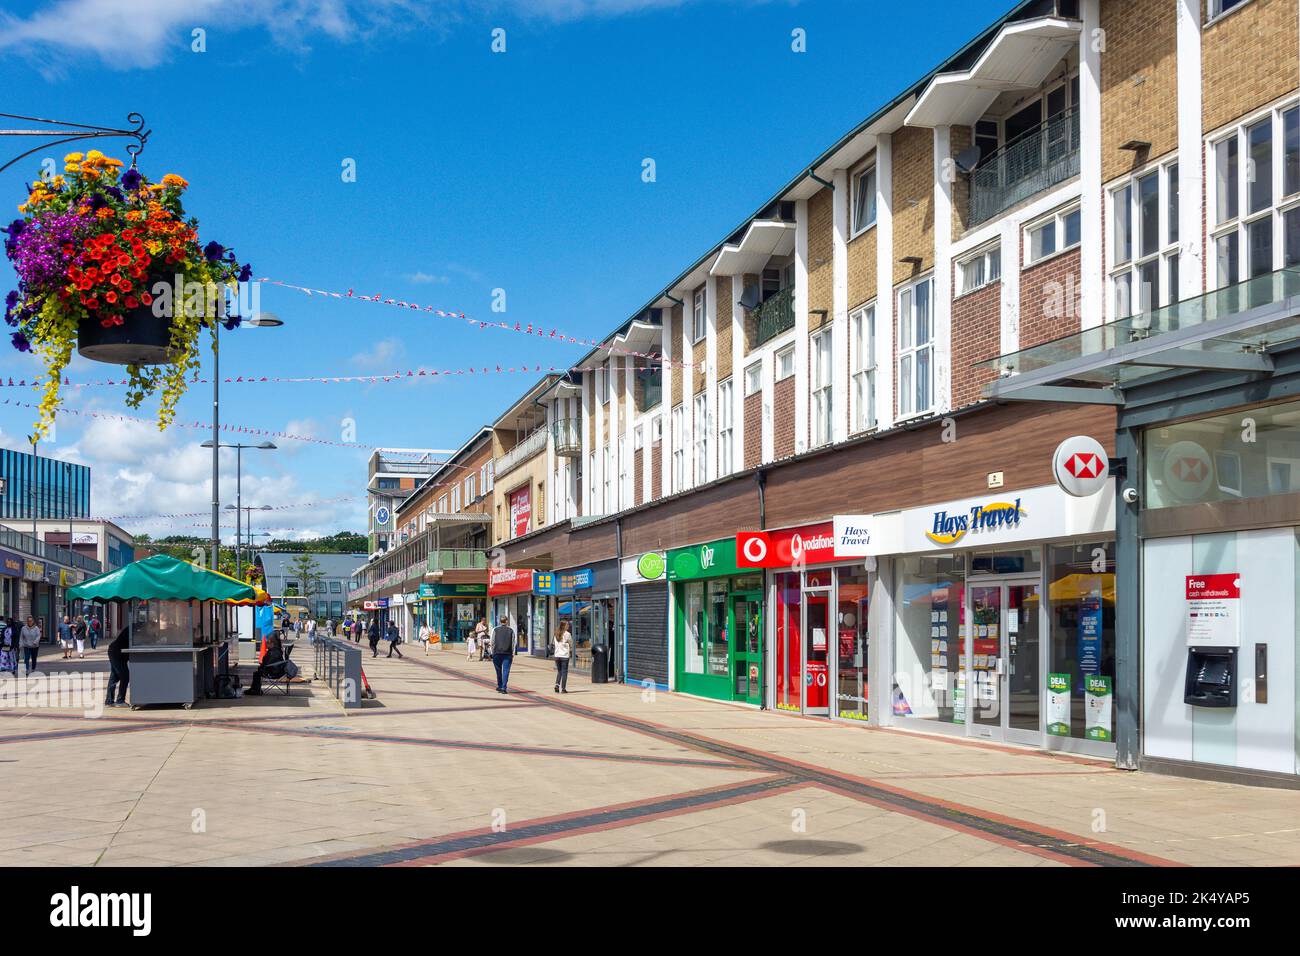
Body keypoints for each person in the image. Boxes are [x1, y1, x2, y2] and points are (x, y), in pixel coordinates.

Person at [490, 616, 515, 694]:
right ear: (506, 621)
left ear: (500, 621)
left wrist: (492, 652)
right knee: (506, 671)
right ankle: (504, 687)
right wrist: (512, 652)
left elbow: (492, 642)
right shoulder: (511, 630)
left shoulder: (495, 630)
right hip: (507, 653)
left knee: (498, 670)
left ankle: (500, 685)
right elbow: (513, 643)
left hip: (497, 653)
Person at [105, 625, 129, 707]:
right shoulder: (135, 630)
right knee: (125, 676)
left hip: (115, 652)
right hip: (116, 653)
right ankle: (120, 700)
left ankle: (109, 701)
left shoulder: (135, 628)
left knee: (114, 676)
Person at [553, 621, 572, 694]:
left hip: (557, 655)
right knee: (564, 672)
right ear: (564, 626)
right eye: (567, 625)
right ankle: (563, 689)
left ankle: (557, 685)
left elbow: (555, 644)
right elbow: (571, 643)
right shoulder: (567, 634)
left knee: (559, 671)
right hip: (564, 656)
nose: (568, 626)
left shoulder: (556, 633)